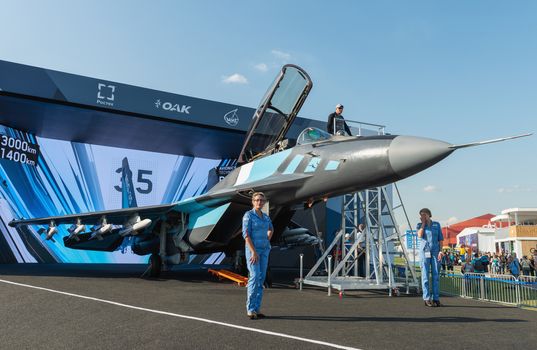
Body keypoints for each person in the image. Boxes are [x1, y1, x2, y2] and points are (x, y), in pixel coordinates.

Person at [242, 192, 273, 320]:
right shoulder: (248, 216)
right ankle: (250, 309)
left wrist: (267, 239)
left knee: (261, 279)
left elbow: (271, 228)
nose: (259, 202)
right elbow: (246, 235)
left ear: (264, 202)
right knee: (254, 277)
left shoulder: (265, 217)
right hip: (253, 251)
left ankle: (256, 308)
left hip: (264, 250)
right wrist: (253, 251)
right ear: (253, 202)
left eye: (261, 200)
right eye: (256, 200)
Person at [417, 208, 444, 307]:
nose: (422, 217)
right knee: (425, 276)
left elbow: (440, 239)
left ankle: (436, 298)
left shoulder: (436, 224)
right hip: (424, 252)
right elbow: (419, 235)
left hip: (435, 252)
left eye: (423, 215)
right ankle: (426, 298)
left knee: (436, 275)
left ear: (428, 214)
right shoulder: (419, 225)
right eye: (420, 215)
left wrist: (441, 251)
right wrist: (423, 224)